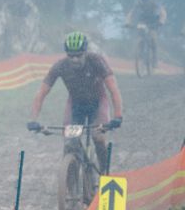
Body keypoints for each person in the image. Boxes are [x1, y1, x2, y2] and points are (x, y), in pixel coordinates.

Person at [28, 31, 124, 169]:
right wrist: (33, 120)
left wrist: (118, 116)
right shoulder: (60, 66)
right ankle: (69, 179)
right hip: (75, 105)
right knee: (69, 142)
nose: (74, 60)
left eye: (78, 55)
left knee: (98, 138)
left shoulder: (97, 61)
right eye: (71, 56)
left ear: (85, 52)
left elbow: (113, 90)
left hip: (98, 103)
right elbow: (41, 94)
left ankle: (105, 173)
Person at [125, 0, 167, 65]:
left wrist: (161, 21)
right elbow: (132, 12)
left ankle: (154, 59)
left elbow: (162, 11)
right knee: (140, 32)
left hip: (153, 20)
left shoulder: (154, 0)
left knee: (153, 39)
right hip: (143, 19)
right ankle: (140, 50)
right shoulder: (138, 1)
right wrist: (128, 22)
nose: (144, 0)